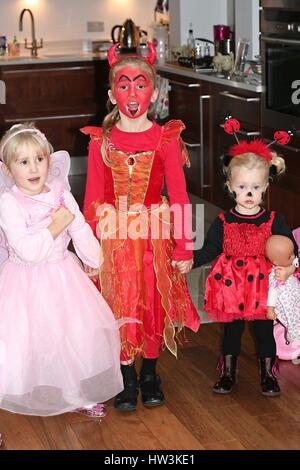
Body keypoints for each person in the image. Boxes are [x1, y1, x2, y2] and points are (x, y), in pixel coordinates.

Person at [81, 42, 200, 411]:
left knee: (151, 300)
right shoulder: (102, 140)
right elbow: (91, 199)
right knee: (118, 301)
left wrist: (183, 246)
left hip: (154, 235)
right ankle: (125, 375)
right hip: (113, 236)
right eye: (123, 84)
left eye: (140, 84)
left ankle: (149, 372)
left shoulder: (166, 138)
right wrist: (88, 249)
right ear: (111, 93)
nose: (132, 94)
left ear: (154, 90)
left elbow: (179, 196)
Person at [0, 123, 123, 416]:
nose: (34, 168)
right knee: (23, 339)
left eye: (39, 159)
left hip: (63, 276)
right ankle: (13, 390)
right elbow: (28, 252)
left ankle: (74, 392)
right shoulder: (8, 202)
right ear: (8, 170)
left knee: (72, 333)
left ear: (49, 161)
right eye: (23, 162)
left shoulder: (60, 194)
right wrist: (56, 225)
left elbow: (79, 228)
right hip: (24, 281)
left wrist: (94, 258)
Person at [194, 138, 297, 397]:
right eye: (242, 187)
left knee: (264, 332)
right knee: (232, 331)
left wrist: (290, 268)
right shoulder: (223, 221)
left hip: (263, 286)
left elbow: (292, 250)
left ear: (265, 187)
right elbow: (208, 251)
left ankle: (268, 374)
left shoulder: (275, 221)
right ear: (230, 187)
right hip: (231, 286)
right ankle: (228, 373)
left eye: (255, 187)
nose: (249, 194)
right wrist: (186, 260)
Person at [265, 235, 300, 345]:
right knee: (293, 322)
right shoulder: (275, 276)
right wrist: (270, 309)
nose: (294, 256)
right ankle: (295, 340)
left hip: (295, 297)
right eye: (290, 256)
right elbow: (272, 293)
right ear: (276, 261)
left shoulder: (288, 264)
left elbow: (296, 263)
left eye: (293, 252)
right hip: (287, 307)